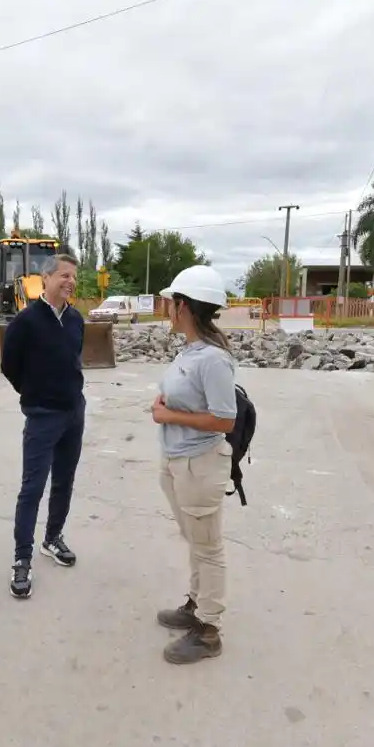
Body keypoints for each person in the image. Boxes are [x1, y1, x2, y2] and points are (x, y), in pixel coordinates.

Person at [150, 265, 237, 665]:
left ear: (182, 307)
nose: (167, 308)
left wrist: (169, 416)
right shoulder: (189, 351)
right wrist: (165, 404)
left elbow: (225, 420)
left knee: (208, 546)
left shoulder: (214, 360)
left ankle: (209, 630)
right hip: (177, 460)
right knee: (196, 540)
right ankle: (196, 604)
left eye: (170, 302)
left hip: (199, 464)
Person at [0, 253, 84, 599]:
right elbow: (9, 365)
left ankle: (52, 538)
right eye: (64, 275)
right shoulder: (26, 321)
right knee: (32, 488)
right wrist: (33, 394)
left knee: (64, 481)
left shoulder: (75, 319)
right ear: (45, 279)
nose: (70, 282)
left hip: (74, 412)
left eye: (73, 277)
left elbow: (74, 360)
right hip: (42, 415)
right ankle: (22, 558)